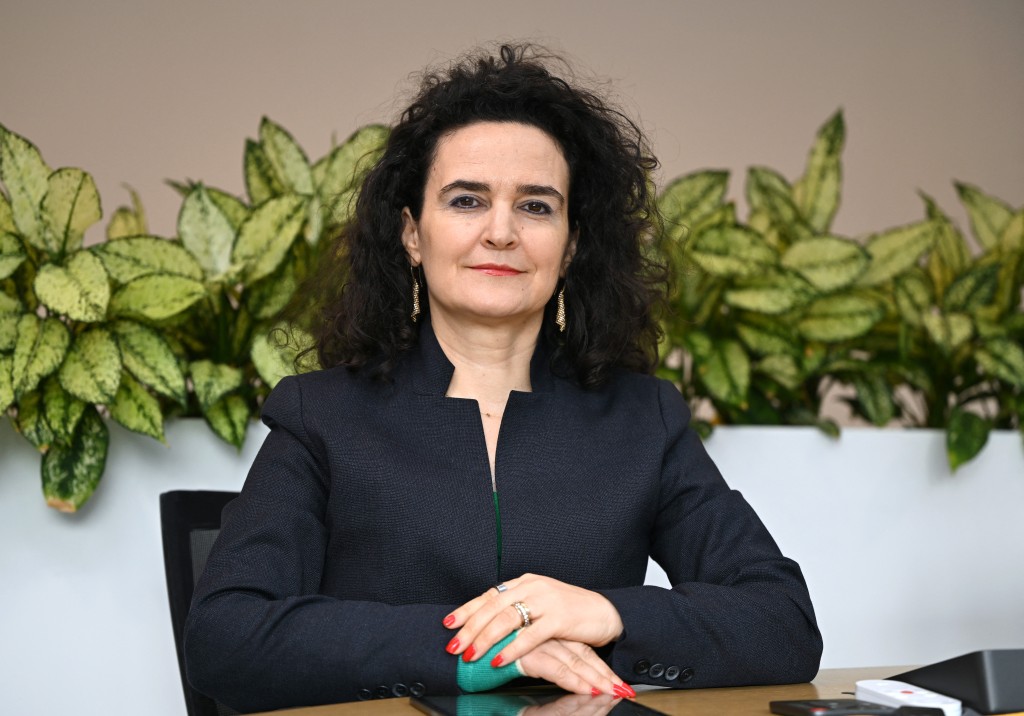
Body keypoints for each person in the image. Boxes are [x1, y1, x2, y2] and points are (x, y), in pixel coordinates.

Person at [183, 44, 822, 712]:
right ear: (411, 233)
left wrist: (606, 613)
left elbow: (782, 622)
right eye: (466, 200)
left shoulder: (644, 419)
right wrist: (473, 648)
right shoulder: (321, 415)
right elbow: (225, 636)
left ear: (572, 244)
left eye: (537, 207)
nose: (500, 232)